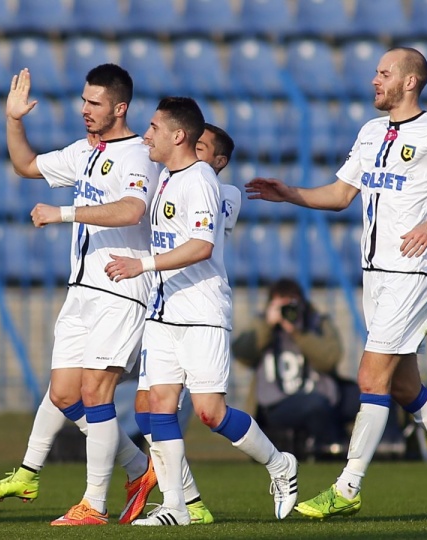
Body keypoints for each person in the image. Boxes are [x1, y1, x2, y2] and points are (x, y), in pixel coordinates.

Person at [245, 47, 427, 518]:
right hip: (376, 275)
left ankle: (348, 487)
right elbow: (342, 194)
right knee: (403, 387)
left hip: (411, 271)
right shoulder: (369, 133)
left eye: (384, 73)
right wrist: (291, 194)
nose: (374, 80)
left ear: (410, 81)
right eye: (375, 72)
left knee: (370, 375)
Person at [0, 64, 161, 526]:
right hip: (81, 290)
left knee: (96, 391)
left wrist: (63, 213)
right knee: (63, 393)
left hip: (121, 287)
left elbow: (132, 208)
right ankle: (138, 469)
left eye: (94, 103)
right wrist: (14, 119)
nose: (84, 110)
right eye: (83, 100)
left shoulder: (139, 154)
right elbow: (25, 165)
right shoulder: (83, 152)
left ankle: (93, 505)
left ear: (119, 108)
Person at [105, 97, 299, 526]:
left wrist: (144, 264)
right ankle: (177, 506)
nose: (146, 134)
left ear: (178, 135)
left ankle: (280, 464)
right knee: (158, 406)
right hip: (163, 310)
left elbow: (202, 246)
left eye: (154, 127)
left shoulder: (202, 181)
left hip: (201, 312)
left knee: (211, 412)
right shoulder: (166, 180)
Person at [232, 278, 347, 458]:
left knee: (362, 397)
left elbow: (330, 360)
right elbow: (242, 354)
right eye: (281, 306)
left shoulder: (315, 322)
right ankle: (329, 450)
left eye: (291, 306)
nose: (288, 312)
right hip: (277, 403)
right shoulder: (263, 325)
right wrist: (267, 326)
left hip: (320, 393)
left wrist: (298, 333)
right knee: (315, 404)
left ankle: (386, 448)